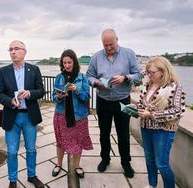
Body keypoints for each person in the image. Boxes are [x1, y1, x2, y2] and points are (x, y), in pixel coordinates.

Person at [86, 28, 141, 178]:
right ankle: (105, 159)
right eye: (105, 45)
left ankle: (125, 163)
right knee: (104, 133)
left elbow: (138, 75)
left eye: (111, 44)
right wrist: (97, 82)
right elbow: (88, 76)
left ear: (117, 39)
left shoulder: (129, 54)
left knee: (123, 134)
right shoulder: (96, 57)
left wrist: (125, 78)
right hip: (103, 101)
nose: (108, 48)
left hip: (122, 100)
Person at [0, 40, 45, 188]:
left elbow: (41, 91)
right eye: (10, 49)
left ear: (24, 51)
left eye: (16, 48)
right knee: (11, 152)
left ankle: (32, 176)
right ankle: (12, 180)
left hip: (29, 116)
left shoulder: (34, 69)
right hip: (12, 116)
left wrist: (29, 93)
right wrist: (10, 101)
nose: (13, 52)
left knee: (31, 149)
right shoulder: (3, 71)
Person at [136, 56, 186, 188]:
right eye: (147, 72)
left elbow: (178, 111)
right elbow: (142, 103)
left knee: (162, 164)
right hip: (145, 127)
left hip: (163, 131)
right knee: (149, 160)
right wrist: (136, 109)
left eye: (152, 72)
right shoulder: (148, 85)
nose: (149, 75)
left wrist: (152, 115)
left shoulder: (174, 87)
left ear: (163, 71)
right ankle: (152, 185)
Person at [52, 49, 93, 178]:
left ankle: (77, 165)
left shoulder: (82, 77)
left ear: (74, 62)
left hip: (79, 116)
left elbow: (87, 96)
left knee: (78, 141)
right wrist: (59, 96)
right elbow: (54, 96)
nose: (67, 65)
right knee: (60, 141)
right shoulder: (59, 77)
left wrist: (77, 89)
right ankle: (58, 164)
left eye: (69, 62)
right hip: (61, 114)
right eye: (64, 63)